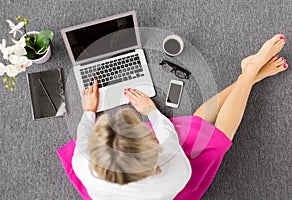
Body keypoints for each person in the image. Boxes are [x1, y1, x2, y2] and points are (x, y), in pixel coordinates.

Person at [72, 34, 288, 200]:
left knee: (196, 125)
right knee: (217, 139)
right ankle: (249, 72)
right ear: (151, 150)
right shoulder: (174, 175)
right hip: (171, 183)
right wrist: (151, 111)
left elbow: (83, 137)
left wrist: (89, 111)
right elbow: (168, 136)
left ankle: (248, 77)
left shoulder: (82, 161)